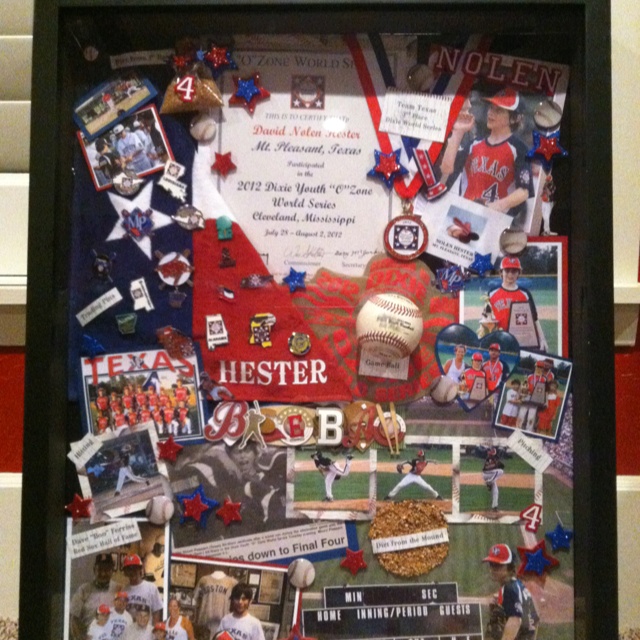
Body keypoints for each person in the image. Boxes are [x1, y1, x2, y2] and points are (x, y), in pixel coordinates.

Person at [440, 88, 534, 222]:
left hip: (496, 220)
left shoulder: (519, 148)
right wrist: (458, 132)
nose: (491, 113)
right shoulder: (475, 144)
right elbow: (446, 169)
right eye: (491, 108)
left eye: (499, 110)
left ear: (515, 118)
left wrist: (496, 206)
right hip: (464, 214)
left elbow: (524, 191)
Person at [487, 256, 549, 352]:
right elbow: (486, 320)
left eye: (514, 271)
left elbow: (535, 319)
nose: (510, 275)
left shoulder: (525, 294)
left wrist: (542, 339)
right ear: (501, 272)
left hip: (522, 341)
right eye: (507, 271)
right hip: (500, 341)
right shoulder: (492, 293)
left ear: (519, 273)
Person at [482, 544, 540, 639]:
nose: (493, 569)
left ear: (509, 567)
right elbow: (535, 617)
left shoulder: (509, 589)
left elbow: (515, 620)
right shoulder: (518, 585)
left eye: (498, 565)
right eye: (491, 564)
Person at [69, 553, 121, 640]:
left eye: (107, 569)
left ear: (112, 570)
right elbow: (73, 618)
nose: (103, 573)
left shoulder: (118, 589)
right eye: (99, 569)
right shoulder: (83, 590)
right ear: (94, 570)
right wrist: (79, 638)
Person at [122, 554, 163, 624]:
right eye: (129, 569)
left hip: (146, 633)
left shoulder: (151, 588)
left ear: (140, 569)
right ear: (125, 572)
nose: (132, 572)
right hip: (129, 632)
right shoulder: (123, 591)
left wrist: (154, 631)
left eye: (135, 568)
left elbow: (157, 612)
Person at [482, 448, 505, 512]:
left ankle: (494, 507)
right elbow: (486, 468)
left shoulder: (494, 458)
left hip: (490, 475)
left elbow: (501, 465)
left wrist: (497, 464)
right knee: (500, 471)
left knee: (496, 491)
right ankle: (489, 482)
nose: (491, 454)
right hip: (486, 474)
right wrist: (496, 465)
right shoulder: (488, 459)